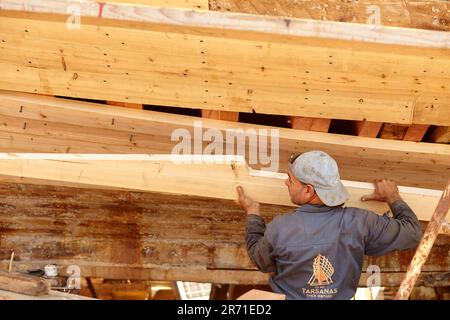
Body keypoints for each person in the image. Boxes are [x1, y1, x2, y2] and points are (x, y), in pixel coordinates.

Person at [235, 150, 422, 299]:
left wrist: (252, 213)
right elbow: (413, 233)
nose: (286, 183)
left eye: (290, 179)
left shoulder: (280, 228)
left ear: (308, 190)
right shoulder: (361, 222)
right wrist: (393, 197)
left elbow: (261, 261)